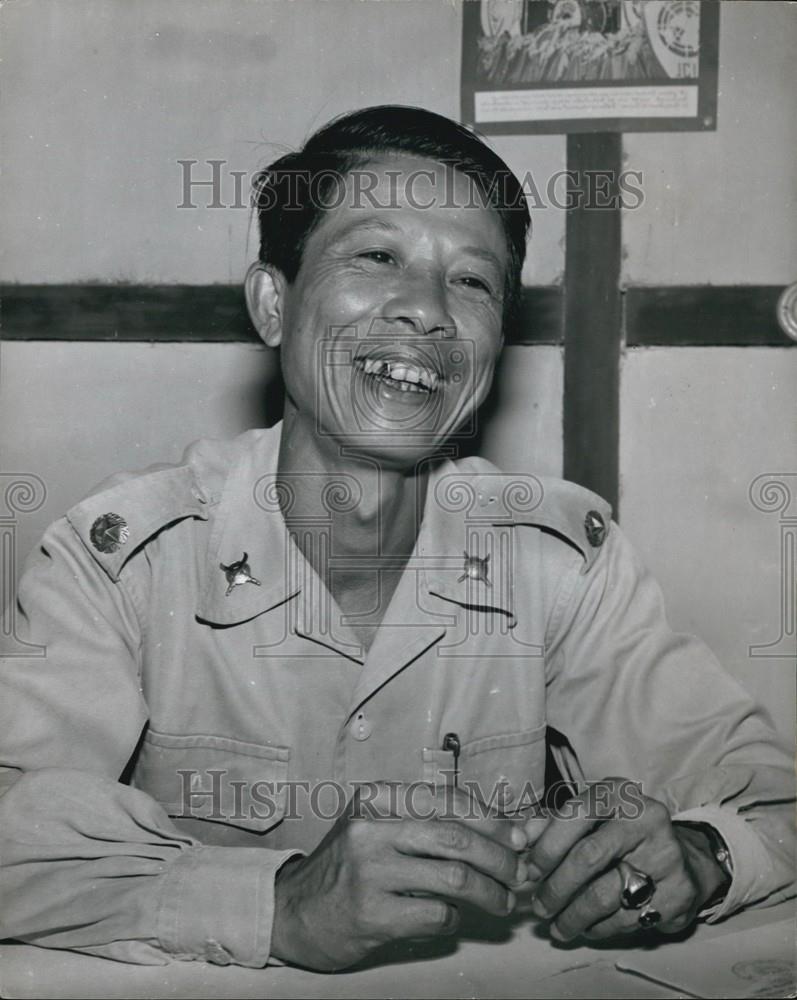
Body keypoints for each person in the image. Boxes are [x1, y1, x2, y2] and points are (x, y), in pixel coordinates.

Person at [0, 105, 793, 972]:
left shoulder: (557, 557)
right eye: (377, 257)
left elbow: (773, 806)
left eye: (472, 283)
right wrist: (280, 903)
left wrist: (697, 859)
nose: (425, 311)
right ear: (274, 304)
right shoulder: (126, 558)